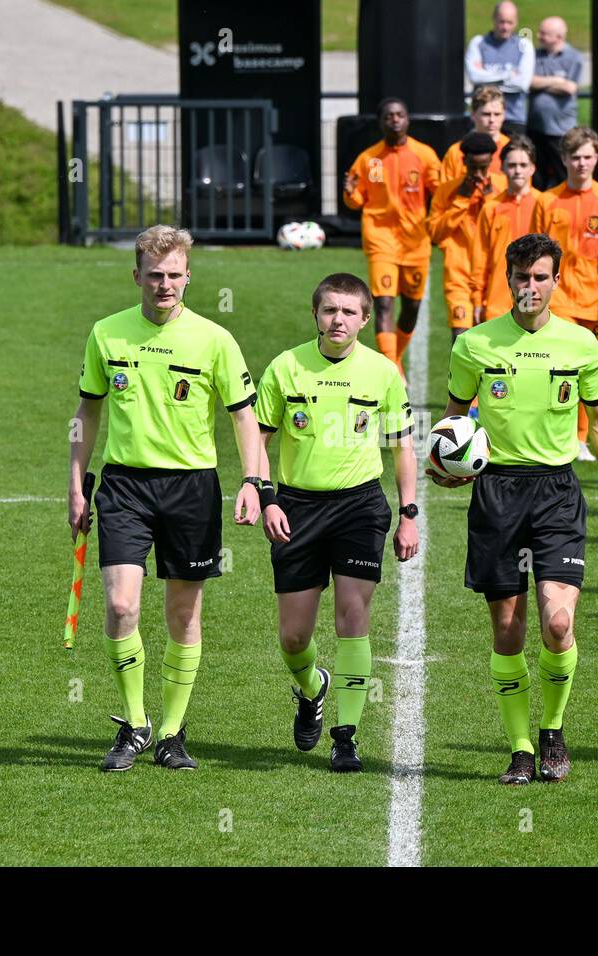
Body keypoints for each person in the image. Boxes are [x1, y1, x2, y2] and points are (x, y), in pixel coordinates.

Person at [70, 225, 263, 772]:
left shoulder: (215, 339)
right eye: (154, 275)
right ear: (136, 276)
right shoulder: (106, 334)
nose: (165, 284)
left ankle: (173, 734)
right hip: (125, 485)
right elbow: (87, 413)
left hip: (191, 488)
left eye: (175, 275)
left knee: (183, 612)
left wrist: (252, 480)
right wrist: (76, 483)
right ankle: (134, 724)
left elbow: (244, 416)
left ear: (187, 277)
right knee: (120, 605)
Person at [434, 232, 598, 785]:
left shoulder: (583, 346)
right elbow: (454, 418)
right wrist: (447, 464)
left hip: (558, 493)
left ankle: (552, 729)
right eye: (521, 277)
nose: (530, 286)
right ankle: (520, 748)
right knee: (509, 631)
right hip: (496, 494)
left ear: (556, 280)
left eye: (541, 276)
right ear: (508, 280)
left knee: (558, 623)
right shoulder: (475, 344)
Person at [255, 273, 419, 772]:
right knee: (293, 638)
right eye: (330, 310)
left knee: (353, 617)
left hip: (359, 507)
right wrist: (267, 499)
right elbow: (255, 442)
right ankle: (312, 688)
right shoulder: (285, 369)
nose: (338, 319)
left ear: (365, 320)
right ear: (315, 315)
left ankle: (346, 737)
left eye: (348, 312)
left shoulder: (384, 374)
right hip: (296, 508)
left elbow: (402, 447)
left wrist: (408, 513)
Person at [540, 127, 598, 462]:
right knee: (558, 368)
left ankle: (582, 438)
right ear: (564, 159)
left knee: (591, 370)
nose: (582, 163)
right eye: (575, 157)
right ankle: (559, 434)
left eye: (588, 156)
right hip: (559, 298)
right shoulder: (547, 201)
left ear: (597, 158)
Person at [343, 98, 441, 372]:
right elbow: (356, 200)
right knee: (384, 303)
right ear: (381, 122)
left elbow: (440, 190)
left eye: (400, 114)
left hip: (415, 242)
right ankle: (391, 368)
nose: (395, 119)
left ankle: (394, 359)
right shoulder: (368, 159)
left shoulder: (424, 155)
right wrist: (350, 191)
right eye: (389, 116)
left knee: (411, 307)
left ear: (407, 120)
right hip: (380, 238)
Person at [429, 132, 507, 342]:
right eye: (473, 168)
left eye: (484, 167)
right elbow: (435, 234)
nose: (479, 174)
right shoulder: (447, 191)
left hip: (495, 278)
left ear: (492, 161)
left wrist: (491, 198)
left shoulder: (503, 188)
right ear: (463, 162)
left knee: (494, 343)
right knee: (460, 339)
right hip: (459, 277)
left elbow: (508, 231)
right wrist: (461, 200)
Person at [471, 136, 555, 324]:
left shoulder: (546, 204)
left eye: (523, 165)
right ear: (502, 168)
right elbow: (480, 258)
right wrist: (478, 300)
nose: (518, 171)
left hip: (534, 299)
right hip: (497, 301)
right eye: (512, 165)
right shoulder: (491, 208)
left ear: (533, 168)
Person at [464, 2, 535, 139]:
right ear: (494, 19)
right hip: (482, 119)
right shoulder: (478, 43)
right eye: (501, 22)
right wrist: (508, 74)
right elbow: (475, 76)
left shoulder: (524, 45)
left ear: (516, 22)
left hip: (513, 118)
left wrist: (488, 80)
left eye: (510, 22)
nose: (505, 27)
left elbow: (522, 84)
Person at [527, 16, 581, 191]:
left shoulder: (573, 57)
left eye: (543, 33)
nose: (538, 36)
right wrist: (556, 80)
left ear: (557, 37)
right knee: (537, 177)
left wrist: (540, 84)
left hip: (560, 131)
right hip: (536, 129)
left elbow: (569, 88)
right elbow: (528, 82)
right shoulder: (535, 55)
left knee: (562, 176)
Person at [441, 86, 509, 184]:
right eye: (486, 114)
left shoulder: (512, 150)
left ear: (504, 115)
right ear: (473, 114)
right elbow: (444, 193)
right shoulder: (456, 152)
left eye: (497, 114)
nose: (492, 120)